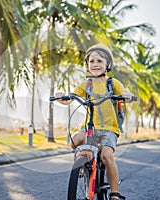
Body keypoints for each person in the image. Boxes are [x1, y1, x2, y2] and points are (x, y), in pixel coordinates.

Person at [55, 43, 132, 200]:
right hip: (89, 128)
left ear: (107, 65)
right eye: (92, 61)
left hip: (109, 129)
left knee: (107, 156)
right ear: (87, 64)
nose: (95, 65)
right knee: (75, 139)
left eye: (99, 61)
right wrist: (62, 97)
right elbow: (70, 98)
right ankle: (84, 165)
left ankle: (115, 193)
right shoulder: (86, 84)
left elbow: (125, 92)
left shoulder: (113, 83)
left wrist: (127, 95)